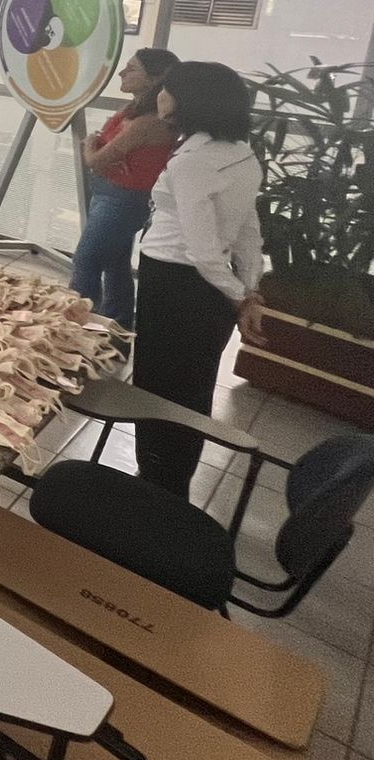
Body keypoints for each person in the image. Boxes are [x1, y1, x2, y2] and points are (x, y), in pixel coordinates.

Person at [133, 62, 265, 495]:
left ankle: (155, 484)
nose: (160, 96)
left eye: (167, 89)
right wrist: (249, 291)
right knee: (193, 389)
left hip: (173, 285)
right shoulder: (241, 152)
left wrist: (239, 295)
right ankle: (172, 482)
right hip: (205, 295)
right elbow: (248, 230)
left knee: (156, 388)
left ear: (191, 100)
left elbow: (203, 251)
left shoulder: (194, 161)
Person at [71, 48, 181, 324]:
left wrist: (89, 147)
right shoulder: (134, 110)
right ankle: (117, 324)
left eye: (132, 69)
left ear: (157, 79)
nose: (122, 72)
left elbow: (96, 160)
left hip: (124, 199)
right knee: (114, 262)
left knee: (87, 260)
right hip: (111, 192)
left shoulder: (149, 122)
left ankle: (78, 328)